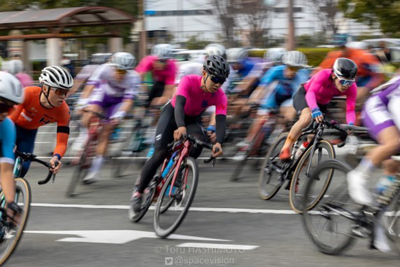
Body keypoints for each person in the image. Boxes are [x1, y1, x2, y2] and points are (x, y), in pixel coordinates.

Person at [130, 55, 230, 213]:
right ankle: (138, 192)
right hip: (173, 114)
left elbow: (221, 119)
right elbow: (179, 105)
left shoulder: (220, 96)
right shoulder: (189, 80)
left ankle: (178, 172)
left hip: (192, 120)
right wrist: (180, 126)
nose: (218, 84)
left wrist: (219, 142)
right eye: (215, 78)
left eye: (222, 81)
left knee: (199, 140)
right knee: (160, 153)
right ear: (204, 73)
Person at [347, 75, 400, 253]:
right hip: (378, 107)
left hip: (392, 114)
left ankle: (375, 217)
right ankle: (358, 174)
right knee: (394, 143)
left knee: (393, 168)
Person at [76, 52, 140, 183]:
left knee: (106, 132)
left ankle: (95, 171)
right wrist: (82, 103)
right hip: (103, 94)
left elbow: (128, 101)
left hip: (118, 102)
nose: (120, 74)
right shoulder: (104, 68)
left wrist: (119, 115)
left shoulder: (134, 78)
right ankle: (84, 137)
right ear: (113, 66)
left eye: (124, 72)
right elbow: (89, 87)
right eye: (118, 70)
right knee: (89, 112)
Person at [234, 51, 310, 160]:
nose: (293, 71)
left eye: (296, 69)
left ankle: (277, 133)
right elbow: (262, 88)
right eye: (291, 68)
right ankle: (248, 143)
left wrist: (288, 116)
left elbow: (297, 98)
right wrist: (253, 101)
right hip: (275, 95)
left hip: (290, 98)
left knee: (287, 114)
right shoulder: (275, 71)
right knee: (261, 115)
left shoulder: (301, 76)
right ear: (285, 65)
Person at [279, 58, 358, 161]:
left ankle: (298, 161)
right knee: (306, 117)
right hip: (305, 95)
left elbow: (350, 110)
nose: (346, 85)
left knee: (313, 138)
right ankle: (286, 148)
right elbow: (310, 93)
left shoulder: (352, 88)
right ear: (334, 75)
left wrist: (350, 124)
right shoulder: (324, 74)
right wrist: (315, 109)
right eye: (343, 81)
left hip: (321, 103)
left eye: (349, 82)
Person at [8, 66, 73, 177]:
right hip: (12, 127)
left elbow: (62, 143)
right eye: (58, 91)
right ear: (45, 89)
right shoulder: (28, 93)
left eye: (65, 92)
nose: (62, 96)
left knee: (23, 168)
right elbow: (9, 121)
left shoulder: (63, 111)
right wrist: (8, 141)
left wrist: (56, 157)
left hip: (29, 134)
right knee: (6, 160)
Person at [0, 71, 25, 223]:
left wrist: (11, 202)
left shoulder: (7, 126)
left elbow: (6, 169)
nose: (4, 113)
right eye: (1, 106)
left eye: (10, 109)